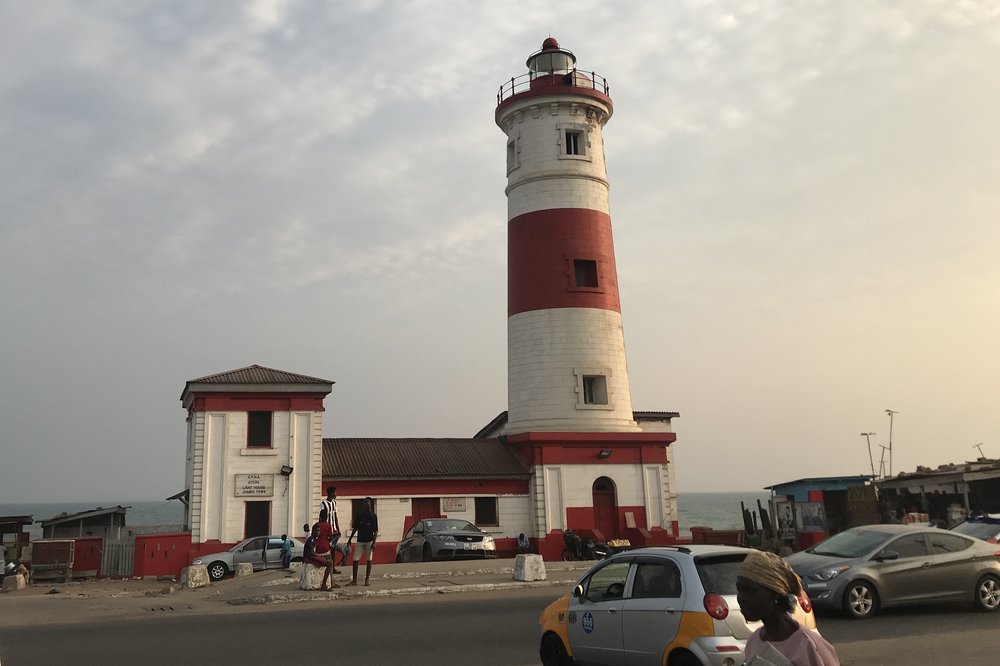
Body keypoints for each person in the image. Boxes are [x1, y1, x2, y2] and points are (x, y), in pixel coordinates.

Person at [736, 550, 840, 665]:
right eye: (739, 590)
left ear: (775, 594)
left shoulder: (809, 645)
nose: (741, 598)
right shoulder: (754, 642)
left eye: (750, 591)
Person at [346, 496, 379, 586]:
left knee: (369, 560)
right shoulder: (359, 515)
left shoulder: (373, 516)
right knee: (355, 559)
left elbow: (375, 531)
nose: (366, 505)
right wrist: (349, 539)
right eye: (364, 503)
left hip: (369, 540)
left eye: (367, 503)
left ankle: (367, 579)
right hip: (360, 540)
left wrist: (374, 542)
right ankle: (354, 580)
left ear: (370, 505)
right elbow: (355, 528)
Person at [303, 524, 337, 591]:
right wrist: (320, 556)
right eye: (317, 530)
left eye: (319, 531)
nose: (319, 532)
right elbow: (311, 553)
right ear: (313, 531)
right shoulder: (311, 539)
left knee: (329, 560)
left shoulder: (313, 539)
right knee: (329, 563)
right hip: (309, 558)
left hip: (310, 557)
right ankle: (323, 585)